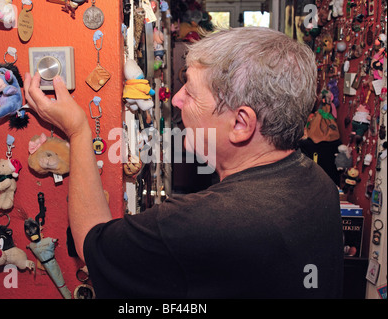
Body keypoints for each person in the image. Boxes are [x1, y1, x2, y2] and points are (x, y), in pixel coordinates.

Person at [24, 27, 343, 298]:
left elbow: (91, 243)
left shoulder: (201, 224)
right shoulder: (317, 181)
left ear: (240, 124)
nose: (176, 99)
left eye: (190, 91)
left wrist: (78, 130)